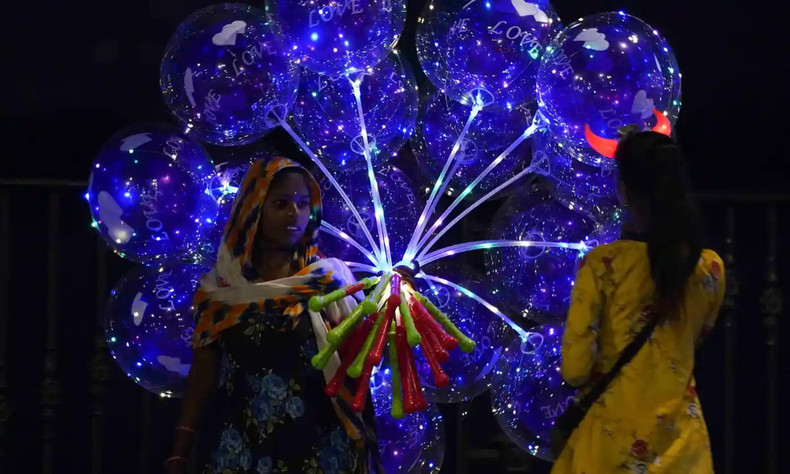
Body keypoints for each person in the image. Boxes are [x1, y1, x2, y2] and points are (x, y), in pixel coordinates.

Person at [165, 157, 379, 474]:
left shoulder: (329, 281)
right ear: (254, 210)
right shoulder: (221, 291)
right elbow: (203, 370)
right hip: (237, 450)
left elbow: (363, 358)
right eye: (281, 203)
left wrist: (392, 307)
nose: (295, 213)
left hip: (318, 449)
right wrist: (180, 449)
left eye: (303, 204)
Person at [552, 131, 725, 473]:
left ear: (625, 190)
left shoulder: (603, 265)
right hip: (684, 449)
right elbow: (699, 334)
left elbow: (575, 369)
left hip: (608, 447)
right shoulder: (709, 268)